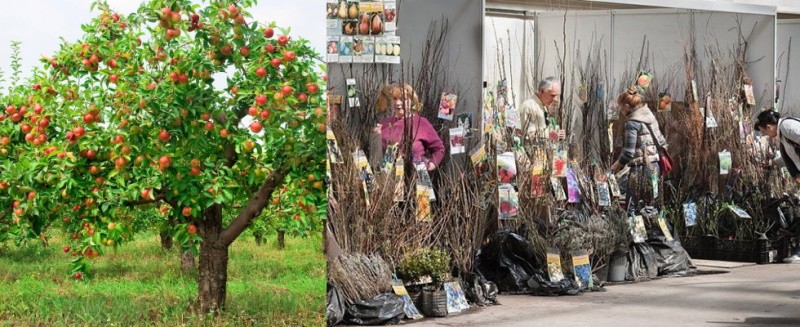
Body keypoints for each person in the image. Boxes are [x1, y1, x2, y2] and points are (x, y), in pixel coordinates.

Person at [610, 86, 668, 216]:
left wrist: (615, 167)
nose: (621, 111)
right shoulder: (649, 116)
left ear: (626, 106)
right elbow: (662, 142)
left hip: (641, 169)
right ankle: (653, 234)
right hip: (655, 167)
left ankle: (637, 236)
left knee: (632, 207)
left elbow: (628, 152)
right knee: (652, 206)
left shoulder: (632, 122)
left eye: (621, 108)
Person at [754, 108, 800, 263]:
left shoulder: (787, 127)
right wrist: (772, 163)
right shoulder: (783, 133)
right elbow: (790, 156)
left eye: (763, 131)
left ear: (769, 126)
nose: (765, 135)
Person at [375, 82, 445, 171]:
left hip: (414, 178)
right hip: (388, 178)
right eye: (394, 99)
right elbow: (377, 153)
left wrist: (431, 165)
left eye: (403, 99)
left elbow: (439, 148)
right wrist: (375, 138)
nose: (398, 103)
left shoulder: (421, 123)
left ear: (411, 101)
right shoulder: (384, 123)